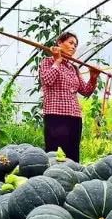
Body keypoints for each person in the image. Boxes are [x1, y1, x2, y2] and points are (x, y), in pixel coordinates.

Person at [39, 32, 100, 162]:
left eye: (75, 45)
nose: (73, 47)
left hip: (74, 117)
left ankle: (72, 179)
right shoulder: (47, 62)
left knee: (72, 156)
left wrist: (93, 77)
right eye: (70, 43)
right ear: (60, 43)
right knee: (56, 155)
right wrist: (57, 61)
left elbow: (85, 91)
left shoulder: (73, 68)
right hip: (56, 116)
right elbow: (47, 80)